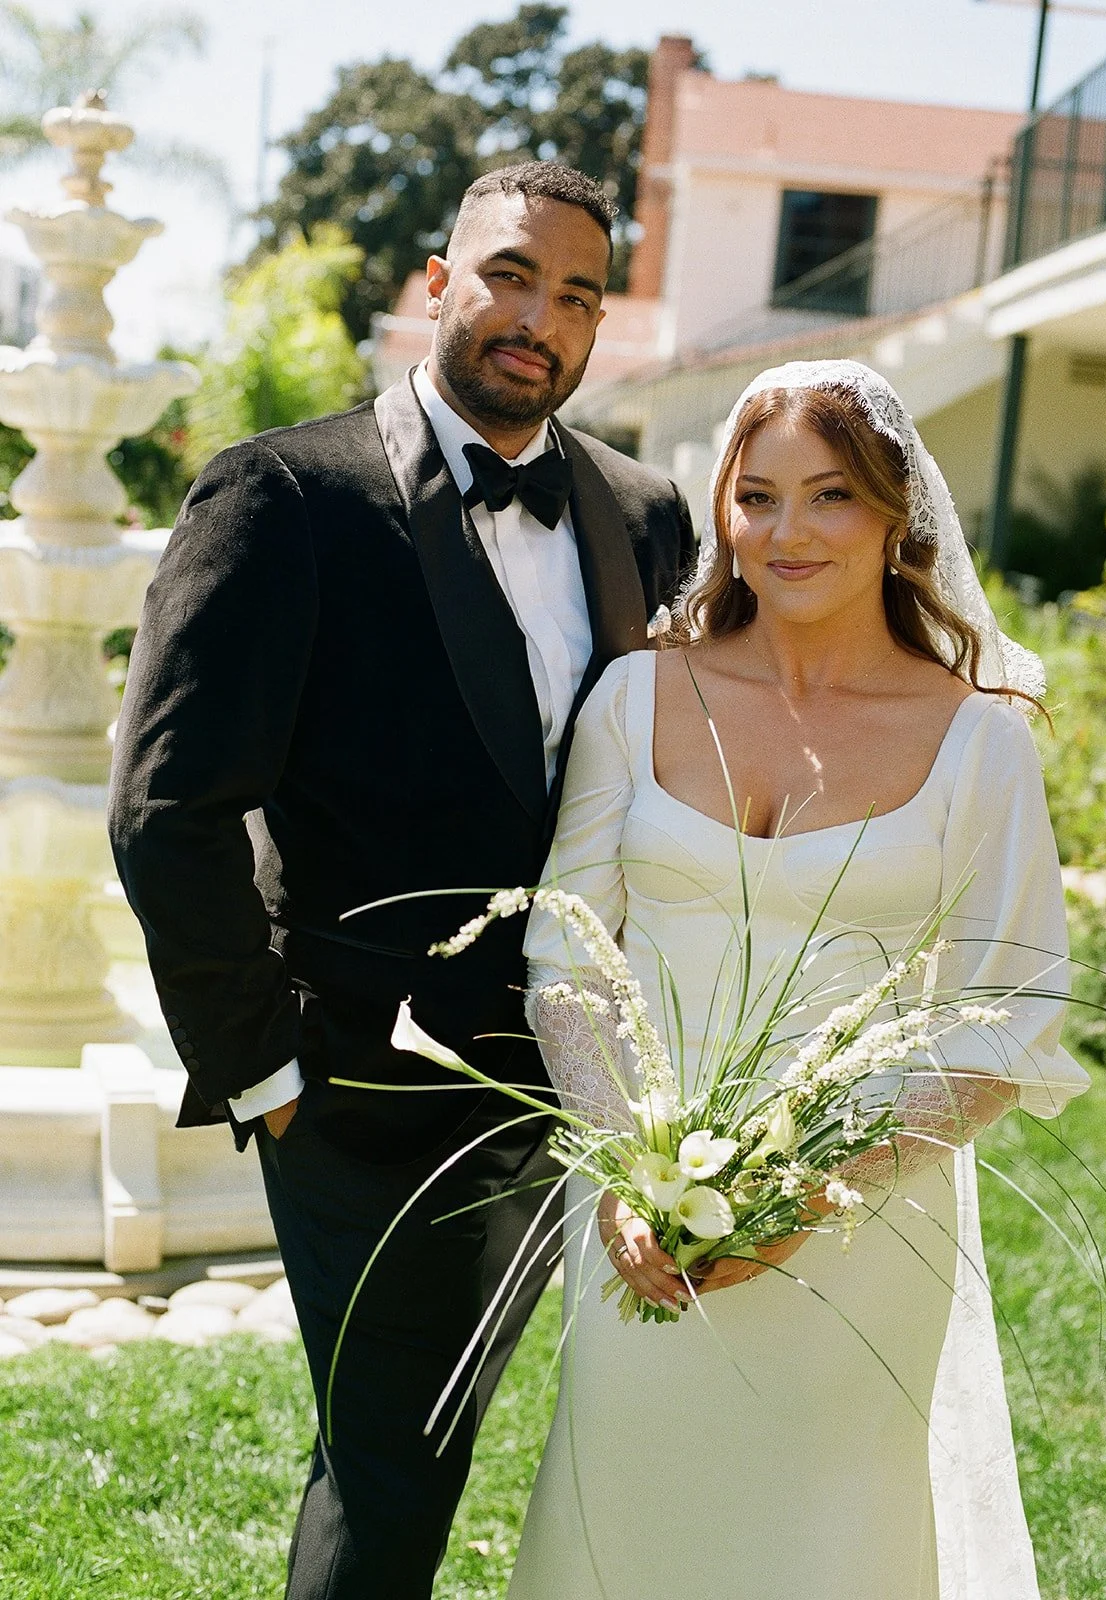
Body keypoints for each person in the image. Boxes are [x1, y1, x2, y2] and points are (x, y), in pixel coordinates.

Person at [107, 162, 694, 1600]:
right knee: (396, 1467)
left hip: (596, 1102)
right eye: (507, 273)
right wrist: (269, 1077)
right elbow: (168, 812)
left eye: (576, 296)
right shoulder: (282, 496)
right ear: (437, 283)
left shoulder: (646, 512)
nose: (537, 320)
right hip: (364, 1100)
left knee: (544, 1447)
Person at [509, 360, 1090, 1600]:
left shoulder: (978, 739)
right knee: (627, 1515)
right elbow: (564, 951)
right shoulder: (637, 695)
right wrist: (626, 1176)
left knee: (827, 1541)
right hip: (637, 1224)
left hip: (865, 1228)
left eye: (828, 497)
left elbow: (1008, 1026)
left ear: (894, 518)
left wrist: (805, 1199)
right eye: (755, 496)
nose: (785, 532)